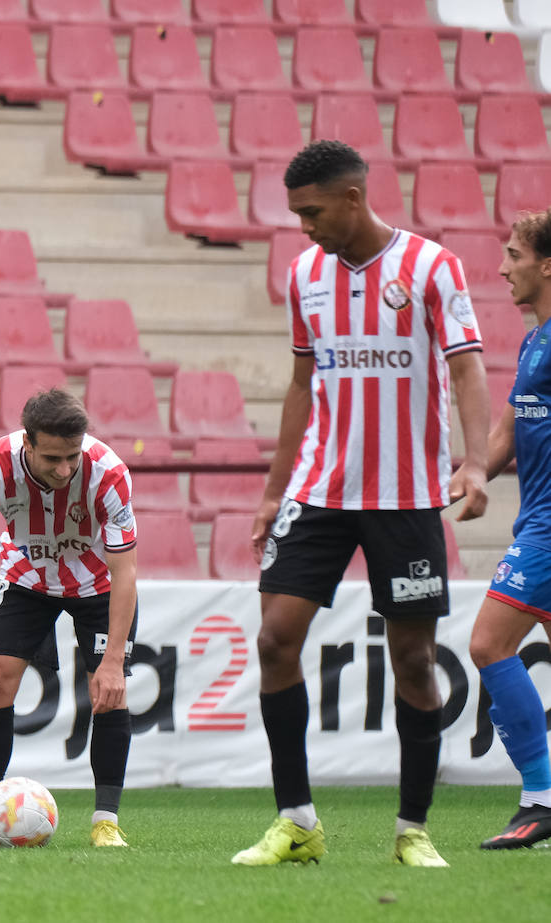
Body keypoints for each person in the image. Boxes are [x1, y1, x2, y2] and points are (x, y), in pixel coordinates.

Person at [234, 140, 490, 868]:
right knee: (275, 639)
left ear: (351, 198)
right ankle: (297, 821)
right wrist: (274, 488)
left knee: (412, 657)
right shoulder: (304, 273)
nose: (304, 227)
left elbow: (466, 367)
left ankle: (413, 827)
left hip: (406, 496)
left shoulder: (432, 267)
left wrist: (473, 460)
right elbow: (298, 385)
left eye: (312, 212)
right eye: (296, 216)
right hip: (319, 491)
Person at [0, 388, 139, 848]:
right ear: (26, 443)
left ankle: (106, 822)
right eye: (53, 458)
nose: (65, 468)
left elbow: (125, 569)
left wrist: (112, 662)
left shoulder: (109, 473)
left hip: (99, 586)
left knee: (110, 694)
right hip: (25, 579)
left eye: (72, 456)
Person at [468, 208, 551, 850]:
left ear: (547, 265)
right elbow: (505, 431)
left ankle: (541, 798)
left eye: (514, 256)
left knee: (490, 644)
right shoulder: (534, 341)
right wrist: (467, 478)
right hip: (535, 516)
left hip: (549, 529)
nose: (503, 268)